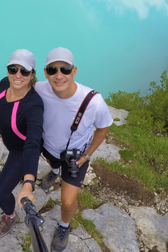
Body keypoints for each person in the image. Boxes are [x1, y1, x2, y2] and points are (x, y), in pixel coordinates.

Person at [36, 47, 113, 252]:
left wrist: (88, 154)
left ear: (74, 71)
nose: (59, 75)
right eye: (52, 70)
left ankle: (64, 226)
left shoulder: (93, 101)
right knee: (52, 163)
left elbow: (103, 127)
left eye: (65, 69)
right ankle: (53, 172)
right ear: (45, 73)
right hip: (49, 148)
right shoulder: (39, 89)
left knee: (68, 201)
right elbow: (12, 85)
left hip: (76, 157)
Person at [0, 49, 44, 238]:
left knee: (0, 192)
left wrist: (28, 183)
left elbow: (32, 144)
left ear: (32, 75)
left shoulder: (33, 106)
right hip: (10, 141)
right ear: (7, 70)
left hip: (20, 151)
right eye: (13, 69)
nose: (17, 75)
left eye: (24, 71)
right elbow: (0, 105)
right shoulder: (5, 84)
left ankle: (10, 216)